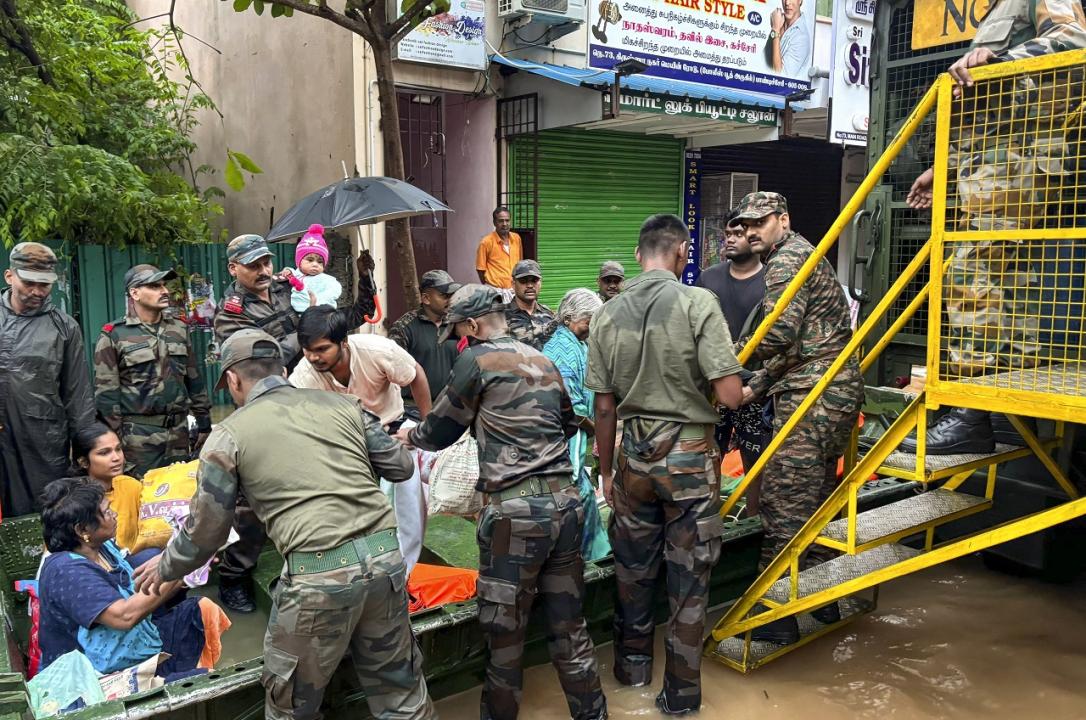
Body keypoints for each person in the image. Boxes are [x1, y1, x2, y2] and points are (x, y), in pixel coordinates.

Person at [133, 329, 433, 720]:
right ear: (283, 368)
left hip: (317, 581)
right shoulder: (345, 407)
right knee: (402, 696)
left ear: (234, 380)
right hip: (385, 563)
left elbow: (208, 532)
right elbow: (400, 465)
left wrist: (166, 565)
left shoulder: (228, 437)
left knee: (291, 707)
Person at [398, 284, 606, 720]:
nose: (459, 338)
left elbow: (439, 431)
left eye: (459, 330)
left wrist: (407, 435)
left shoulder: (474, 360)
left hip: (514, 518)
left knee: (505, 642)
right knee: (570, 632)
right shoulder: (544, 359)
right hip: (566, 507)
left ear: (472, 325)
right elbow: (569, 424)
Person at [902, 0, 1086, 454]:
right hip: (994, 161)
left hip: (1017, 161)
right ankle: (1000, 413)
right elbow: (988, 112)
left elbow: (1076, 39)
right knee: (1010, 284)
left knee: (968, 274)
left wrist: (1000, 61)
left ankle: (970, 413)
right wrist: (944, 169)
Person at [586, 213, 743, 716]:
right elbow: (729, 394)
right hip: (689, 463)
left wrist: (606, 474)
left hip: (631, 460)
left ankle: (630, 672)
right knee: (689, 582)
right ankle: (679, 697)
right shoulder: (699, 303)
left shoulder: (608, 313)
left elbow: (604, 407)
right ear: (681, 253)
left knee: (632, 572)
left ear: (637, 256)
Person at [212, 232, 377, 613]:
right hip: (262, 405)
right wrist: (305, 337)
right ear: (234, 268)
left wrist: (364, 279)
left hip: (305, 395)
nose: (265, 270)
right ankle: (235, 574)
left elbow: (335, 322)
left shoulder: (293, 285)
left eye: (267, 262)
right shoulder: (230, 312)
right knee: (249, 492)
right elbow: (254, 356)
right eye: (254, 265)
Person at [734, 191, 864, 644]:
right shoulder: (803, 253)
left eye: (761, 222)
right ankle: (822, 601)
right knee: (817, 503)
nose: (752, 230)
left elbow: (778, 334)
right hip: (835, 390)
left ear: (782, 220)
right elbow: (798, 343)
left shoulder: (786, 261)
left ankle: (774, 617)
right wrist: (755, 385)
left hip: (814, 396)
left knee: (783, 502)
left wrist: (726, 361)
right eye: (746, 224)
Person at [291, 306, 433, 572]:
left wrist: (426, 431)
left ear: (343, 342)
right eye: (307, 350)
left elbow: (416, 375)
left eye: (321, 349)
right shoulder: (303, 375)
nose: (313, 357)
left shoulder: (378, 350)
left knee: (407, 499)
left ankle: (404, 570)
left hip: (392, 431)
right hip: (343, 441)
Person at [37, 478, 211, 677]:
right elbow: (125, 616)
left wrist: (182, 568)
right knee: (202, 678)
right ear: (82, 530)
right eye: (107, 512)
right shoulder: (66, 571)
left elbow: (139, 592)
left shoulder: (102, 548)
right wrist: (182, 566)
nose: (115, 514)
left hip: (129, 644)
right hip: (93, 674)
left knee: (200, 610)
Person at [0, 242, 95, 516]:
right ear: (9, 276)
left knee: (44, 511)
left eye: (45, 285)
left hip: (40, 443)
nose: (37, 292)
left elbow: (78, 396)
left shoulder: (63, 328)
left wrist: (84, 454)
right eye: (29, 283)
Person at [93, 264, 212, 477]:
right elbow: (107, 395)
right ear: (134, 293)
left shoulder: (179, 329)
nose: (164, 291)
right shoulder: (114, 335)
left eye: (164, 285)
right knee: (141, 496)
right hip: (138, 438)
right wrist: (115, 440)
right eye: (155, 286)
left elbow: (194, 380)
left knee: (178, 496)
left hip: (179, 433)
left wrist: (204, 424)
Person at [696, 212, 771, 501]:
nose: (730, 238)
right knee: (708, 456)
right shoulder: (709, 277)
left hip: (754, 388)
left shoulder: (771, 281)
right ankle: (711, 516)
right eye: (728, 233)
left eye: (738, 233)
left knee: (755, 461)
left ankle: (752, 520)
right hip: (714, 386)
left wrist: (758, 386)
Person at [543, 288, 610, 561]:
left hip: (576, 441)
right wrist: (599, 429)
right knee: (577, 496)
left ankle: (595, 554)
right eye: (588, 321)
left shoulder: (577, 344)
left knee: (582, 497)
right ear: (570, 318)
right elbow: (570, 408)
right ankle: (590, 557)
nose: (591, 328)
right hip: (565, 440)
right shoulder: (561, 350)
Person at [387, 269, 463, 403]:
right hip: (413, 408)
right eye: (445, 296)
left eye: (452, 295)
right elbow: (393, 371)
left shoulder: (459, 325)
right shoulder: (404, 327)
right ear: (426, 298)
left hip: (452, 407)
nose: (451, 300)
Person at [71, 423, 143, 554]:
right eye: (104, 453)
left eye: (118, 449)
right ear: (83, 462)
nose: (116, 458)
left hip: (135, 563)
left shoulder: (131, 486)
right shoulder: (72, 501)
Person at [280, 224, 342, 312]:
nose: (315, 264)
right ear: (299, 261)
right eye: (310, 260)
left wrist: (318, 302)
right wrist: (287, 270)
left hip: (322, 315)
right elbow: (293, 274)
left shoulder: (327, 280)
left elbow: (335, 290)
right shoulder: (295, 275)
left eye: (320, 262)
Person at [504, 260, 558, 351]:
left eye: (534, 280)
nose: (530, 285)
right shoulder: (499, 318)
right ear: (513, 284)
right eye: (523, 281)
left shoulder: (549, 315)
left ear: (540, 283)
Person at [475, 206, 523, 291]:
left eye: (507, 220)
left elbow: (520, 263)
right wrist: (490, 286)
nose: (504, 224)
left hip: (513, 289)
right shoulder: (486, 242)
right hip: (494, 290)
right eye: (501, 221)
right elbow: (480, 270)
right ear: (494, 223)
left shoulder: (516, 238)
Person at [770, 0, 811, 77]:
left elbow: (779, 76)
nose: (787, 3)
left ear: (800, 1)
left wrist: (775, 29)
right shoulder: (779, 21)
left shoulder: (801, 38)